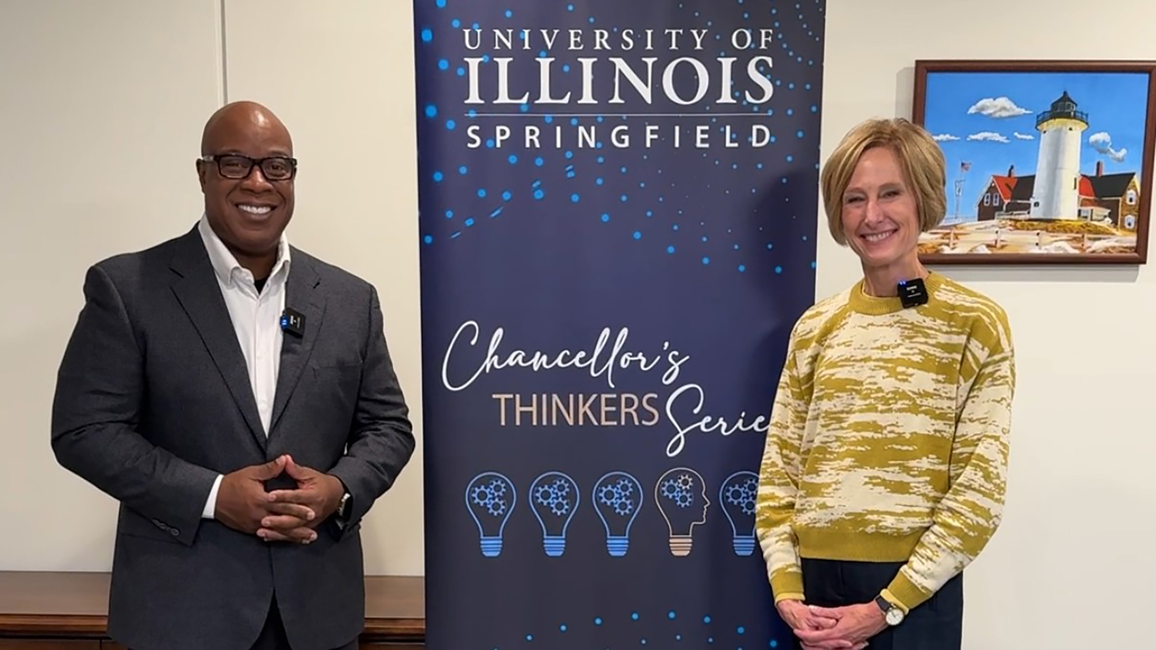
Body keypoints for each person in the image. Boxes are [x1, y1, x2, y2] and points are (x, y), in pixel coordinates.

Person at [50, 101, 415, 650]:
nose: (258, 182)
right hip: (180, 615)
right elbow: (84, 431)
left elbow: (389, 426)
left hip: (318, 613)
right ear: (202, 173)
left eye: (277, 166)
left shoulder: (350, 299)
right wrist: (214, 495)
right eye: (234, 163)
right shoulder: (127, 289)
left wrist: (338, 489)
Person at [755, 117, 1015, 650]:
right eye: (854, 199)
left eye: (890, 193)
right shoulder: (816, 328)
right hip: (815, 594)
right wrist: (786, 588)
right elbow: (780, 470)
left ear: (922, 198)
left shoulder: (974, 323)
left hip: (915, 598)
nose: (872, 216)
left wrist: (888, 604)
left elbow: (979, 488)